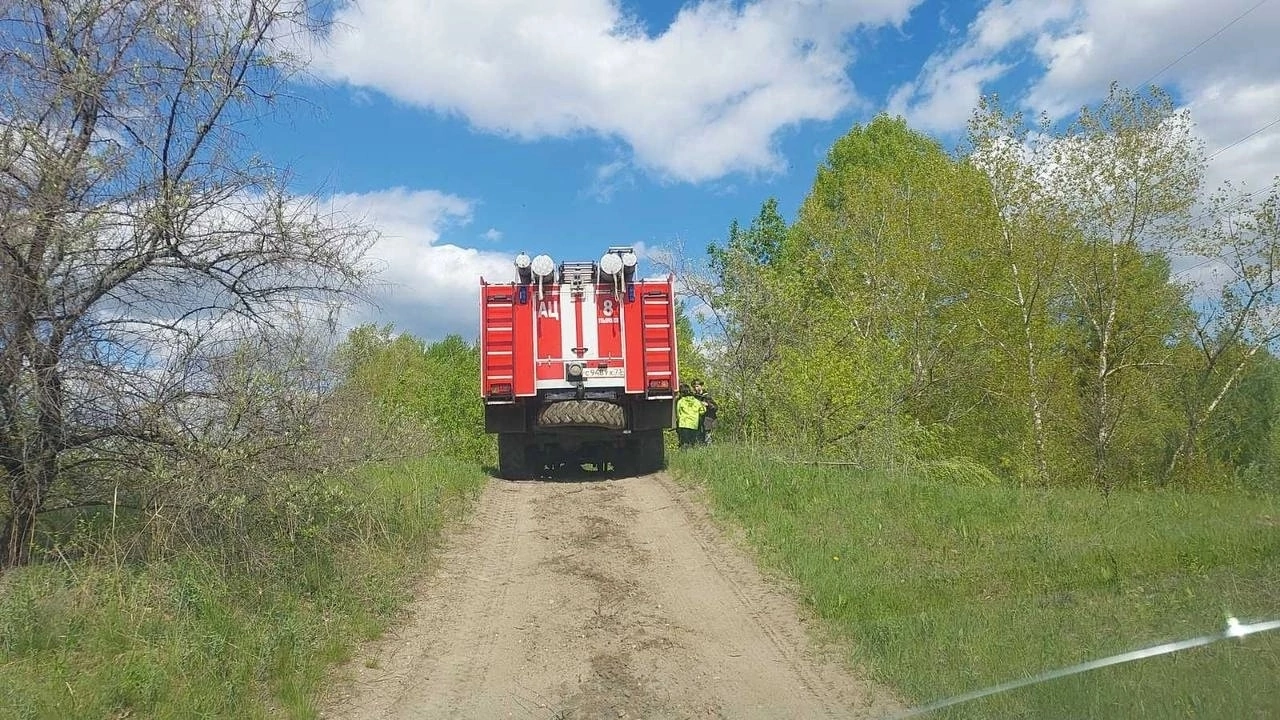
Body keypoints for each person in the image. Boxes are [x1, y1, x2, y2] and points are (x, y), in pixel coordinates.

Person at [675, 382, 704, 448]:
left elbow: (678, 414)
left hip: (683, 425)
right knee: (692, 443)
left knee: (684, 443)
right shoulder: (696, 401)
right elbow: (702, 411)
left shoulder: (680, 401)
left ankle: (685, 456)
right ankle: (691, 456)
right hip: (694, 425)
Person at [692, 379, 717, 445]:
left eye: (697, 386)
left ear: (701, 386)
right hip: (699, 422)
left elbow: (715, 407)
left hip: (708, 421)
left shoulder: (707, 396)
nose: (695, 388)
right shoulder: (694, 397)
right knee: (699, 440)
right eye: (694, 387)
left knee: (708, 439)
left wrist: (708, 404)